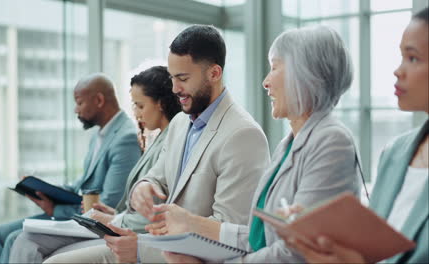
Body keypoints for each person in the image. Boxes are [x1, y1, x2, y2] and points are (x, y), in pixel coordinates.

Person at [45, 24, 271, 264]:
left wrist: (141, 251)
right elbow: (156, 177)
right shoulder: (181, 123)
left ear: (214, 73)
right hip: (151, 245)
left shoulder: (243, 135)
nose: (174, 89)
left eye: (183, 78)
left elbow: (230, 235)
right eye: (173, 78)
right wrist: (143, 187)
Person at [156, 25, 363, 263]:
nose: (266, 82)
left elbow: (294, 253)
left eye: (274, 68)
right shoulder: (288, 145)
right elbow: (261, 238)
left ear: (305, 76)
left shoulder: (331, 141)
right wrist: (194, 224)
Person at [284, 7, 428, 264]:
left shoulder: (331, 138)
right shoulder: (395, 152)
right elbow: (374, 249)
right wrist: (327, 231)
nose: (398, 71)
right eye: (401, 57)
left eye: (413, 58)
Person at [8, 66, 181, 263]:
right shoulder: (156, 139)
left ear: (161, 104)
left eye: (140, 106)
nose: (136, 114)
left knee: (28, 241)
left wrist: (114, 218)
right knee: (23, 238)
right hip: (118, 220)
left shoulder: (166, 142)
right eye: (134, 106)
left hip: (132, 232)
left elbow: (154, 209)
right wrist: (116, 214)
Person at [0, 73, 141, 263]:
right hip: (77, 211)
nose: (76, 109)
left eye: (79, 102)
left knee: (13, 238)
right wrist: (45, 189)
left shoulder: (125, 138)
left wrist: (55, 211)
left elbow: (110, 203)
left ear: (99, 100)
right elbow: (81, 186)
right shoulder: (99, 135)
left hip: (93, 222)